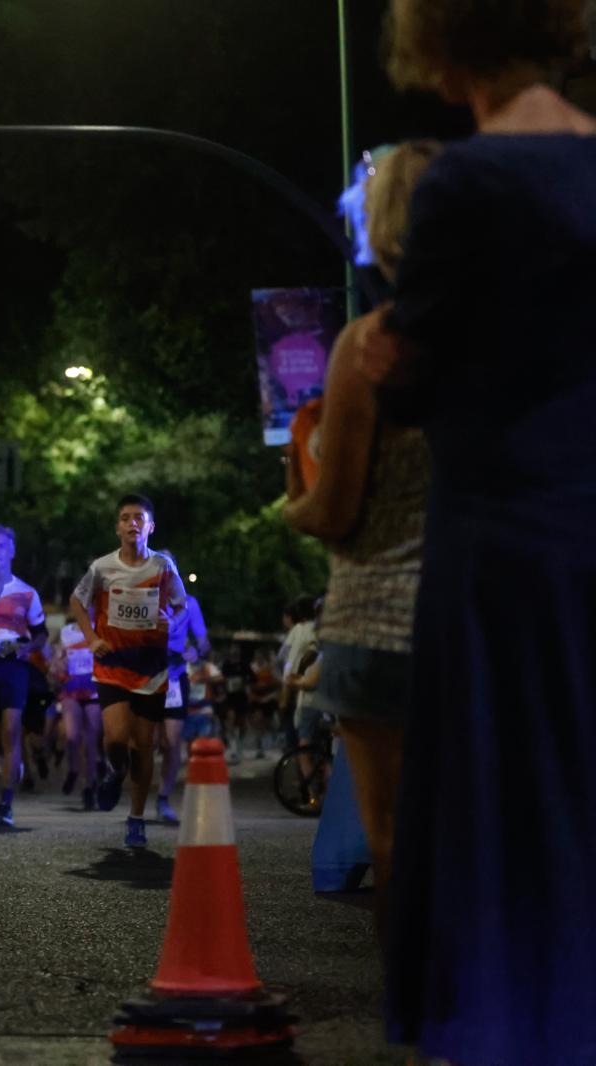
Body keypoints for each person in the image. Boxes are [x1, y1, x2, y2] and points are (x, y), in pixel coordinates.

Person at [350, 6, 596, 1058]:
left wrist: (382, 359)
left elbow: (415, 367)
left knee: (503, 793)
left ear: (443, 49)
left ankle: (515, 1019)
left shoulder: (466, 180)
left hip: (498, 532)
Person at [284, 140, 435, 943]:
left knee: (397, 843)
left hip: (378, 624)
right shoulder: (518, 340)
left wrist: (294, 495)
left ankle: (420, 1007)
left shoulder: (372, 345)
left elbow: (333, 512)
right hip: (486, 617)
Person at [68, 495, 187, 849]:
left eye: (139, 518)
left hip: (151, 666)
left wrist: (172, 622)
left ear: (151, 527)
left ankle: (136, 818)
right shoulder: (103, 567)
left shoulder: (163, 566)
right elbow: (77, 601)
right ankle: (114, 770)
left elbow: (181, 605)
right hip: (113, 664)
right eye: (125, 518)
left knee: (144, 746)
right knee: (117, 738)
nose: (132, 523)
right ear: (117, 527)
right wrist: (91, 638)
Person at [0, 525, 48, 828]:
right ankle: (4, 771)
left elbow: (41, 633)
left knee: (11, 730)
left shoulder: (27, 592)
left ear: (12, 551)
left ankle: (6, 803)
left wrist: (28, 648)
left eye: (2, 546)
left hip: (14, 665)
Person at [155, 586, 209, 825]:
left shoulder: (189, 603)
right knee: (143, 741)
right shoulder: (144, 598)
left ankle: (163, 798)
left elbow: (203, 641)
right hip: (143, 676)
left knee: (172, 742)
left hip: (174, 678)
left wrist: (196, 650)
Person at [55, 617, 104, 811]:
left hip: (94, 690)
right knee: (72, 736)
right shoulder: (66, 632)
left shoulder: (100, 628)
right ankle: (73, 769)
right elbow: (56, 661)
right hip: (71, 690)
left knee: (91, 741)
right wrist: (59, 662)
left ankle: (89, 786)